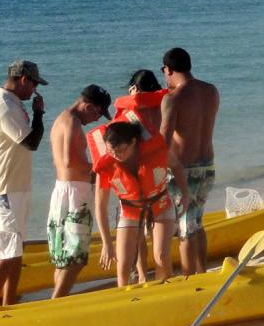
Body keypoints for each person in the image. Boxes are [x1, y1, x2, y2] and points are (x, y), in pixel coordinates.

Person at [0, 59, 48, 306]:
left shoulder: (13, 103)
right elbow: (30, 142)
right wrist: (39, 114)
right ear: (23, 80)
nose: (35, 90)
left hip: (17, 188)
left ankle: (10, 304)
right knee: (7, 254)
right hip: (4, 190)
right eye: (34, 84)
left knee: (17, 251)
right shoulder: (3, 105)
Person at [47, 84, 112, 297]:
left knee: (63, 256)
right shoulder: (73, 123)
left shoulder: (60, 120)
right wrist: (99, 167)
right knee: (76, 256)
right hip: (75, 193)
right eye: (97, 113)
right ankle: (57, 302)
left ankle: (56, 300)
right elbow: (69, 161)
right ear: (87, 105)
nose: (96, 119)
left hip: (61, 191)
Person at [92, 121, 175, 286]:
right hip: (130, 210)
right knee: (123, 265)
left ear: (134, 143)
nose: (117, 155)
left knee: (161, 256)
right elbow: (100, 208)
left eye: (122, 150)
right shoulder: (107, 166)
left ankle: (164, 294)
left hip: (160, 205)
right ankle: (126, 302)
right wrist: (107, 244)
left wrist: (185, 195)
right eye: (112, 151)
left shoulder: (153, 153)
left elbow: (177, 167)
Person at [160, 47, 220, 275]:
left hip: (183, 170)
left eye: (164, 71)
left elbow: (162, 143)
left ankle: (189, 277)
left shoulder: (173, 99)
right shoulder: (211, 91)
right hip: (207, 166)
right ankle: (201, 272)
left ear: (169, 69)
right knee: (197, 223)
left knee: (185, 228)